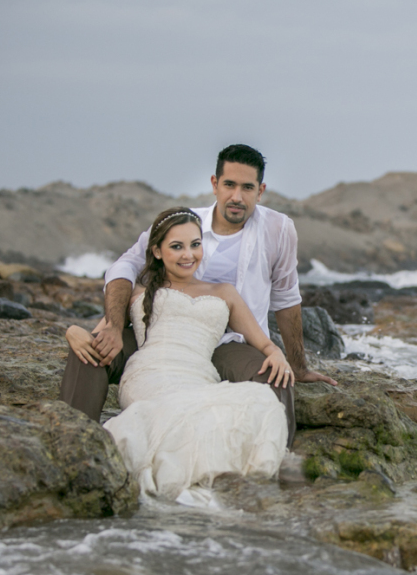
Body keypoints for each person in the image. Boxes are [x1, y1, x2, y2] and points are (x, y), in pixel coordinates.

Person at [59, 144, 337, 447]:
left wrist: (297, 365)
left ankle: (273, 460)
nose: (237, 196)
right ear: (214, 184)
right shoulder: (182, 225)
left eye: (247, 187)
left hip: (229, 344)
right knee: (89, 354)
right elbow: (125, 266)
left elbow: (285, 297)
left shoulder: (278, 229)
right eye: (229, 184)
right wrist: (112, 326)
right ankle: (74, 443)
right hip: (156, 334)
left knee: (274, 379)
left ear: (261, 191)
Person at [66, 207, 292, 502]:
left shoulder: (224, 292)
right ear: (157, 251)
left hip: (198, 375)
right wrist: (72, 330)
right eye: (177, 246)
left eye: (195, 245)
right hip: (148, 373)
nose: (189, 255)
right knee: (173, 418)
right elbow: (103, 331)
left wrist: (277, 354)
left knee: (258, 404)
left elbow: (263, 343)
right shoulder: (139, 292)